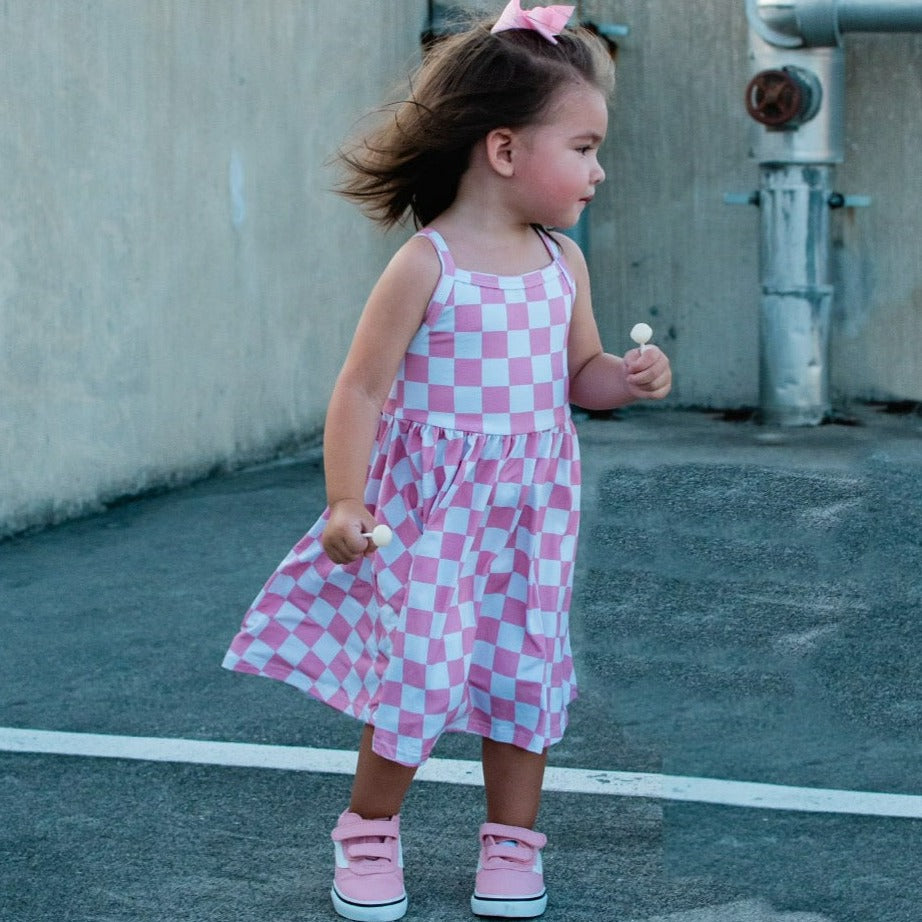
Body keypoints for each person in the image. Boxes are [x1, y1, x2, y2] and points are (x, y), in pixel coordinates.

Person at [222, 2, 672, 919]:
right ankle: (368, 832)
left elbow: (580, 375)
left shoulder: (563, 263)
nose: (598, 170)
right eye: (583, 148)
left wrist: (625, 381)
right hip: (432, 516)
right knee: (421, 673)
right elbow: (361, 390)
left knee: (524, 672)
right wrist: (345, 500)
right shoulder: (426, 264)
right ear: (504, 150)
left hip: (530, 516)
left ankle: (511, 844)